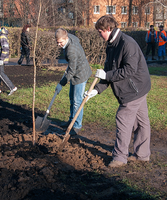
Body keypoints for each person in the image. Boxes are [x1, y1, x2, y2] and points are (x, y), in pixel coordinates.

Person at [85, 15, 151, 168]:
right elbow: (109, 70)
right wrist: (96, 90)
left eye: (100, 31)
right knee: (141, 122)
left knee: (123, 118)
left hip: (135, 89)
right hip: (137, 88)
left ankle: (120, 158)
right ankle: (142, 155)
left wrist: (106, 75)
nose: (99, 34)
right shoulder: (112, 44)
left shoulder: (127, 44)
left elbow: (129, 70)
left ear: (109, 29)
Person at [55, 28, 92, 135]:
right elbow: (76, 39)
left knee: (77, 101)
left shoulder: (71, 50)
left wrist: (61, 83)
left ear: (66, 39)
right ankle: (72, 120)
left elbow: (71, 72)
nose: (59, 45)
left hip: (80, 74)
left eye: (61, 42)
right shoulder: (70, 37)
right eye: (57, 42)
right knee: (72, 97)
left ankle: (76, 125)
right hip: (75, 70)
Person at [0, 21, 17, 96]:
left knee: (0, 73)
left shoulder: (2, 36)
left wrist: (1, 59)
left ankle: (12, 87)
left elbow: (5, 49)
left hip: (0, 59)